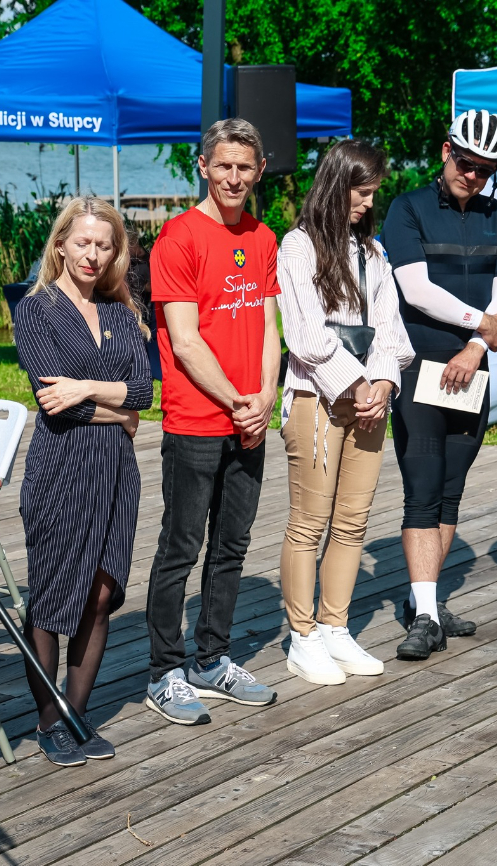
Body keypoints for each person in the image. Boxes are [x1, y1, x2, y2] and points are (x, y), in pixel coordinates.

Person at [144, 118, 281, 725]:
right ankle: (163, 671)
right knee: (180, 546)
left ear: (259, 171)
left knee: (232, 545)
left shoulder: (264, 237)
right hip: (197, 420)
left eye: (244, 167)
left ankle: (212, 658)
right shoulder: (178, 237)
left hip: (248, 421)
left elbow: (270, 327)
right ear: (203, 166)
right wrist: (238, 402)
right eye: (223, 165)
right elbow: (185, 340)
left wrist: (266, 398)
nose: (233, 177)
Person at [13, 197, 153, 766]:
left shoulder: (122, 314)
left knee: (99, 596)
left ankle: (76, 713)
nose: (93, 255)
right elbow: (55, 404)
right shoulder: (37, 310)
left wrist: (88, 389)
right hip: (61, 470)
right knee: (51, 597)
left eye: (104, 245)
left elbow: (144, 393)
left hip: (117, 474)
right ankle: (49, 720)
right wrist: (118, 413)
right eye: (83, 243)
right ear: (61, 245)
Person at [276, 140, 415, 684]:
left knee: (353, 520)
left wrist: (382, 383)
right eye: (361, 190)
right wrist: (356, 383)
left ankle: (335, 626)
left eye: (373, 191)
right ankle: (303, 635)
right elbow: (305, 334)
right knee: (309, 522)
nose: (368, 201)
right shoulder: (297, 247)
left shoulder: (373, 253)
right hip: (315, 397)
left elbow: (391, 331)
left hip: (367, 400)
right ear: (336, 184)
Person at [383, 109, 497, 661]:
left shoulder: (495, 215)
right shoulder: (408, 207)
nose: (474, 176)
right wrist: (480, 324)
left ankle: (428, 605)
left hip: (471, 366)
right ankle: (424, 619)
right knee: (422, 487)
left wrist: (476, 346)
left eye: (486, 170)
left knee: (450, 490)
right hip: (419, 365)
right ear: (446, 151)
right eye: (466, 163)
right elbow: (416, 290)